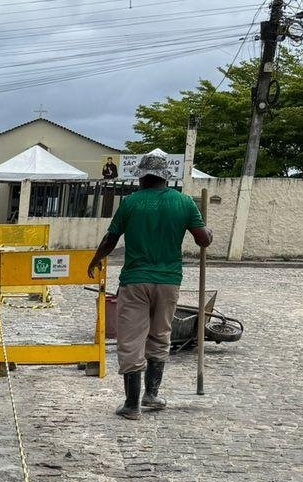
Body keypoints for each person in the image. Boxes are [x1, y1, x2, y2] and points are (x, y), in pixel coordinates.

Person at [88, 149, 213, 420]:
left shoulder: (131, 204)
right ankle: (152, 395)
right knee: (160, 335)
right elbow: (203, 240)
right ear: (165, 178)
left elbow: (111, 239)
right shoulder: (184, 203)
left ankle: (132, 404)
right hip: (168, 282)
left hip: (134, 281)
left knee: (131, 338)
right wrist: (209, 232)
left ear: (142, 177)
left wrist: (96, 259)